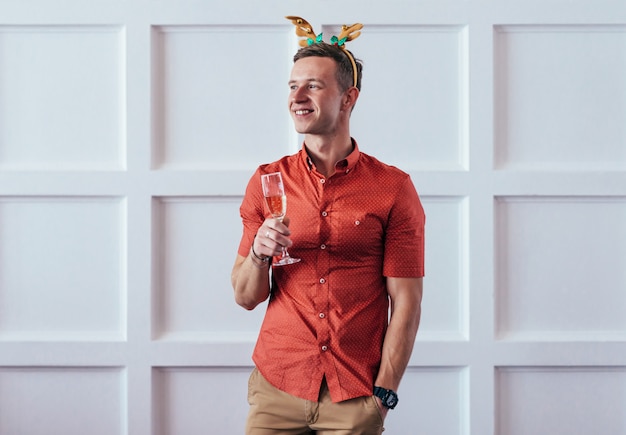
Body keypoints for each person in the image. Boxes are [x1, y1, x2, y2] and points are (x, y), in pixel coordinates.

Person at [231, 16, 425, 435]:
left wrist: (383, 397)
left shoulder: (393, 188)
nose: (297, 97)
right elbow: (245, 296)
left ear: (348, 98)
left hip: (354, 396)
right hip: (276, 388)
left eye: (313, 86)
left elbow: (406, 304)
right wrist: (260, 256)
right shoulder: (268, 181)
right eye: (292, 86)